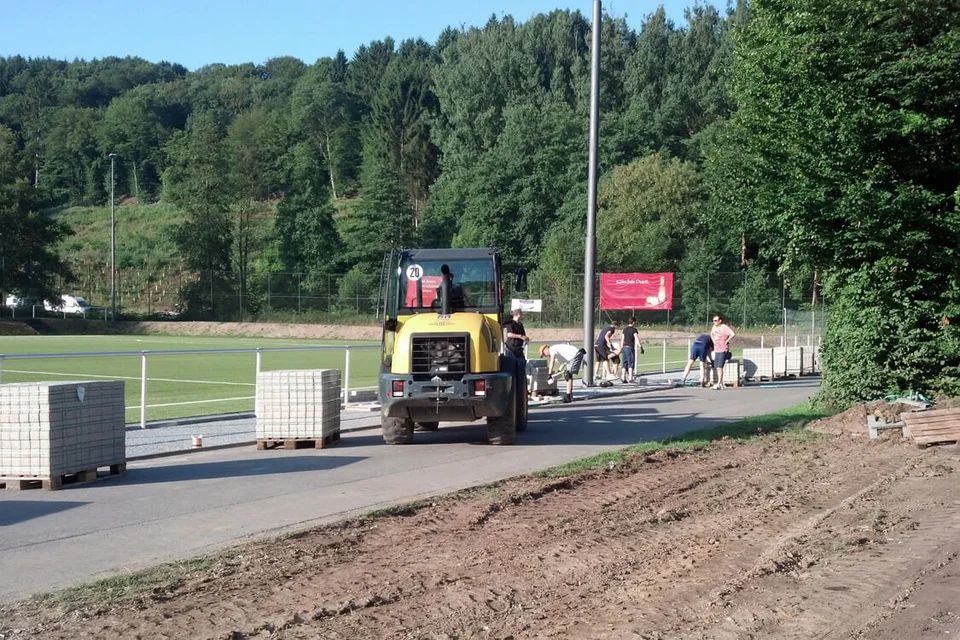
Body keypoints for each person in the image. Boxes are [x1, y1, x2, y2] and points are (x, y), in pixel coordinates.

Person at [709, 314, 736, 389]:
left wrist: (726, 341)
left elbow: (733, 334)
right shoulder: (714, 327)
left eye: (715, 320)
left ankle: (719, 383)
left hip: (723, 349)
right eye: (713, 321)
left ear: (720, 321)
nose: (714, 322)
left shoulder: (724, 327)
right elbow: (711, 334)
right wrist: (714, 340)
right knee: (717, 366)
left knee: (720, 366)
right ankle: (720, 383)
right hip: (717, 348)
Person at [619, 317, 643, 383]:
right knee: (631, 363)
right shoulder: (634, 330)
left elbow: (622, 339)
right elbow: (636, 338)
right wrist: (640, 347)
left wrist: (621, 347)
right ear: (633, 322)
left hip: (624, 347)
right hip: (630, 347)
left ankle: (623, 378)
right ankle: (630, 378)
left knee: (624, 363)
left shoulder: (624, 329)